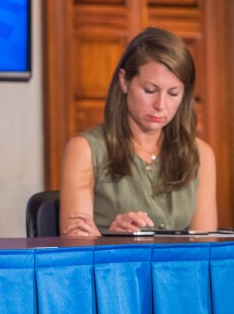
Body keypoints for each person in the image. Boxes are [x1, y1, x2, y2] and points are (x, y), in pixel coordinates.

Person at [59, 27, 217, 236]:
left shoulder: (200, 154)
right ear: (124, 81)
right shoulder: (84, 150)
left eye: (173, 93)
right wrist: (111, 240)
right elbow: (75, 244)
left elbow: (204, 248)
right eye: (150, 90)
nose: (161, 105)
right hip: (112, 268)